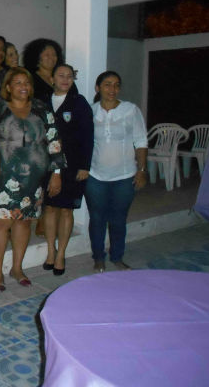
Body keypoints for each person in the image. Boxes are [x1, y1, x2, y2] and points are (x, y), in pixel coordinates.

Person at [0, 67, 65, 289]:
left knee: (24, 223)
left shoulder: (42, 109)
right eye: (18, 83)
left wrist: (56, 174)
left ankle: (17, 268)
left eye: (27, 83)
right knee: (1, 225)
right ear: (8, 86)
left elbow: (54, 141)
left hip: (33, 179)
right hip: (3, 179)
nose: (23, 87)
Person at [86, 71, 148, 272]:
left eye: (116, 85)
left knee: (119, 219)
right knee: (97, 219)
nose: (112, 89)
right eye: (107, 84)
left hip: (124, 176)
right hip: (95, 175)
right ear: (98, 88)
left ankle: (117, 257)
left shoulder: (130, 110)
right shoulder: (90, 111)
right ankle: (98, 257)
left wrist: (141, 170)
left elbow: (141, 140)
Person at [41, 64, 93, 276]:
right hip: (46, 165)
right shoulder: (42, 102)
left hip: (72, 165)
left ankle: (61, 253)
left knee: (66, 209)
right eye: (61, 75)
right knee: (49, 208)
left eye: (69, 76)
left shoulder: (79, 103)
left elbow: (88, 136)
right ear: (52, 78)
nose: (65, 79)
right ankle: (50, 251)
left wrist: (85, 166)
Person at [22, 38, 65, 106]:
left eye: (54, 54)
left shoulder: (65, 77)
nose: (51, 58)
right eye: (47, 55)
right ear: (36, 57)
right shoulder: (29, 79)